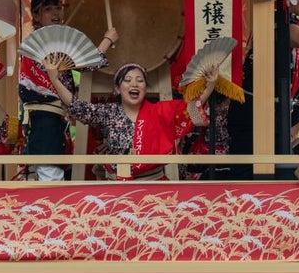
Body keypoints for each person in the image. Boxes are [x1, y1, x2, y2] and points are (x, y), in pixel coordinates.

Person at [48, 59, 211, 181]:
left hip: (153, 186)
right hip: (118, 187)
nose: (135, 84)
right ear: (118, 89)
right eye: (128, 80)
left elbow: (189, 109)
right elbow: (77, 106)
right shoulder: (109, 113)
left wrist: (210, 86)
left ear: (145, 88)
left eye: (140, 81)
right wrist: (55, 80)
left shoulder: (159, 111)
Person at [12, 0, 115, 181]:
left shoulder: (53, 43)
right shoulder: (41, 45)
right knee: (51, 177)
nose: (56, 14)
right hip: (45, 119)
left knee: (46, 174)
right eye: (48, 9)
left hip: (52, 118)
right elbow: (88, 64)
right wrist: (107, 40)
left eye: (58, 8)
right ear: (35, 15)